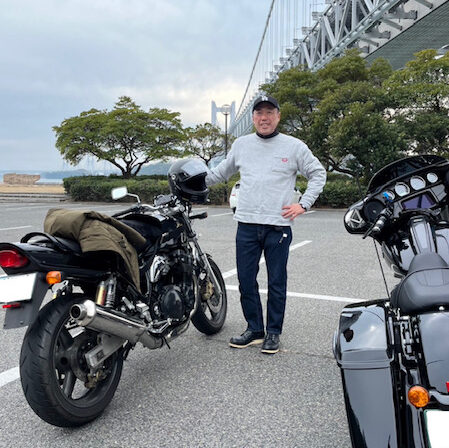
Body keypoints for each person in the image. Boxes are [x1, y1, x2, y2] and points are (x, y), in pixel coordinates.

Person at [206, 95, 326, 354]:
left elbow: (318, 173)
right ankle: (255, 329)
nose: (264, 118)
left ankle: (273, 332)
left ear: (278, 116)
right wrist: (191, 181)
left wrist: (304, 204)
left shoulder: (294, 146)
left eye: (269, 112)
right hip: (246, 225)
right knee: (246, 281)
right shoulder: (241, 144)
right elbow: (220, 173)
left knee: (276, 282)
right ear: (253, 118)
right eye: (259, 113)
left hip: (278, 227)